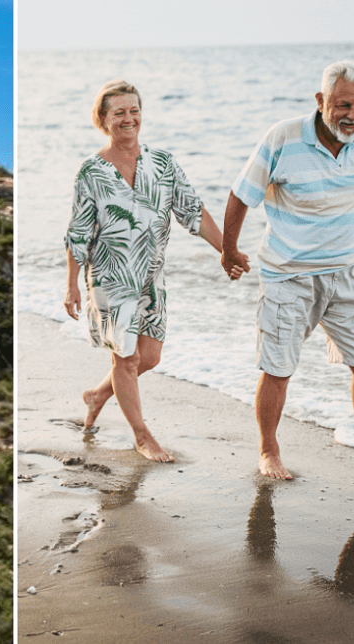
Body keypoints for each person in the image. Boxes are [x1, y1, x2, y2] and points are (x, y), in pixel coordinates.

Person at [220, 61, 354, 489]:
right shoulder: (282, 139)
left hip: (348, 273)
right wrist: (229, 248)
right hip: (289, 275)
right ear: (321, 102)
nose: (352, 116)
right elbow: (240, 194)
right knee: (279, 369)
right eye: (342, 105)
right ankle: (268, 449)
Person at [65, 80, 239, 462]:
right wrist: (72, 285)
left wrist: (226, 251)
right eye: (119, 112)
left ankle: (96, 396)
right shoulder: (91, 171)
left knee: (150, 357)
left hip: (151, 276)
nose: (129, 119)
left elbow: (192, 212)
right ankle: (142, 436)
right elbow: (78, 232)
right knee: (125, 359)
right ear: (103, 119)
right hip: (110, 277)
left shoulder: (163, 164)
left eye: (134, 110)